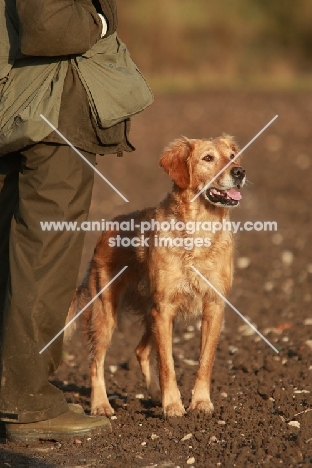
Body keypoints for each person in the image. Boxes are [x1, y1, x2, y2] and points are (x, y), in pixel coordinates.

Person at [0, 0, 152, 442]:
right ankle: (27, 405)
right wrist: (103, 19)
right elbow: (47, 26)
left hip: (21, 107)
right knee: (43, 261)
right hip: (49, 116)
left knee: (13, 253)